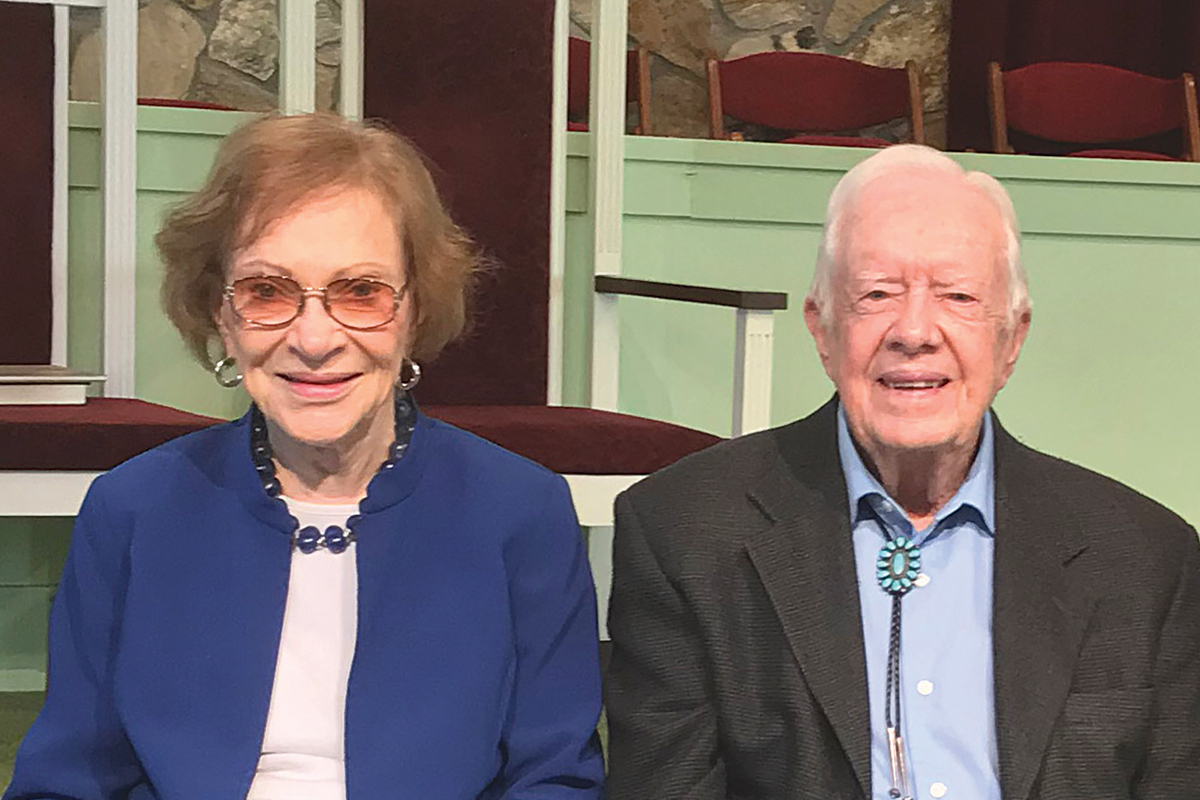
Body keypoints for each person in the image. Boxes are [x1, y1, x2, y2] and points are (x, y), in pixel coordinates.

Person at [5, 114, 605, 800]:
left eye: (361, 292)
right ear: (221, 315)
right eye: (268, 291)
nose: (314, 339)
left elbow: (554, 779)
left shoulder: (520, 511)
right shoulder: (134, 507)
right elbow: (66, 782)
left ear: (414, 311)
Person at [604, 144, 1200, 800]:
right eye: (877, 294)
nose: (914, 330)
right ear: (822, 329)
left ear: (1013, 338)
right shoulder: (685, 534)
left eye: (958, 295)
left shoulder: (1144, 557)